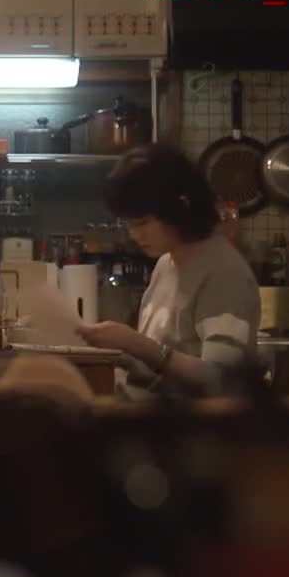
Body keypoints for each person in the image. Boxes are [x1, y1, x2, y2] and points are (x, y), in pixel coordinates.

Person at [76, 143, 260, 399]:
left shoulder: (224, 272)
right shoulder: (166, 264)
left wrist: (136, 344)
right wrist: (115, 348)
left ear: (178, 208)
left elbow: (223, 380)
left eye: (142, 223)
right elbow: (154, 372)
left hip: (189, 423)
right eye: (128, 224)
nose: (134, 235)